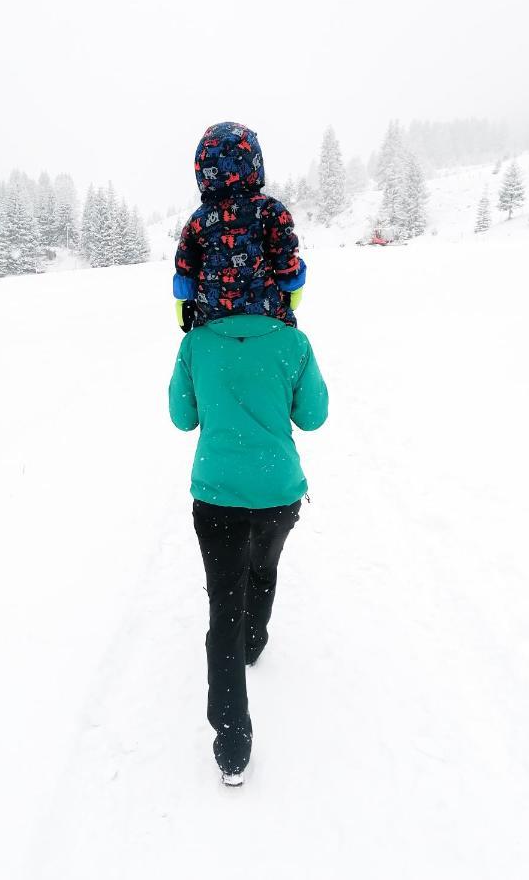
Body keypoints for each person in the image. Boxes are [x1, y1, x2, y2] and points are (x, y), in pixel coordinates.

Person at [168, 308, 328, 785]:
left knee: (224, 606)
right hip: (277, 492)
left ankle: (232, 748)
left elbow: (182, 417)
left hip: (217, 495)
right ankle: (253, 644)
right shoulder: (292, 343)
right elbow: (314, 417)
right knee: (264, 567)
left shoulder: (197, 343)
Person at [173, 122, 306, 333]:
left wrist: (184, 300)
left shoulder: (197, 221)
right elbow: (285, 253)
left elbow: (185, 266)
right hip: (267, 314)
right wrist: (292, 286)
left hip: (212, 319)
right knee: (281, 340)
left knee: (211, 346)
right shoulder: (270, 211)